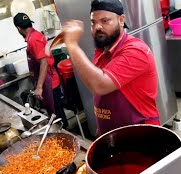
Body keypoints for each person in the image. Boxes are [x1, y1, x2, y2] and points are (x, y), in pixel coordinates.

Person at [61, 0, 160, 136]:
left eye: (105, 21)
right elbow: (101, 93)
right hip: (113, 133)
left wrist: (72, 45)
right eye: (93, 22)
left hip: (140, 133)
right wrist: (102, 129)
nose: (98, 27)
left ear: (121, 20)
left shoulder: (136, 51)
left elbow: (100, 85)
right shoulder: (102, 49)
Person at [13, 13, 68, 128]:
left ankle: (66, 136)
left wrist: (39, 87)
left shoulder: (33, 39)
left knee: (57, 116)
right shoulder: (35, 35)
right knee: (56, 114)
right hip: (48, 81)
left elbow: (44, 62)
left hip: (50, 83)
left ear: (18, 28)